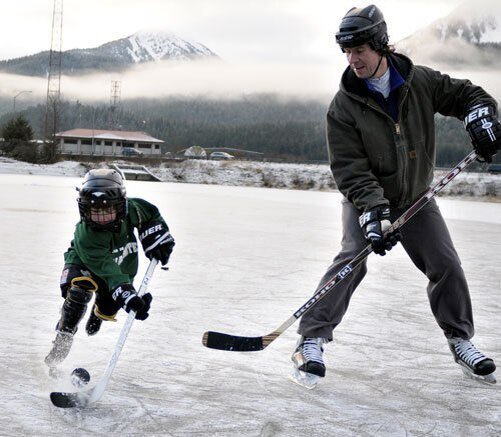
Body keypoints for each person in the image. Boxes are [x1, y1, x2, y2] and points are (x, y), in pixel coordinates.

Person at [292, 5, 500, 385]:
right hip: (365, 199)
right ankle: (311, 339)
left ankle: (460, 340)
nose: (353, 60)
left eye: (360, 50)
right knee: (350, 260)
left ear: (380, 45)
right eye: (347, 52)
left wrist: (481, 114)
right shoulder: (343, 107)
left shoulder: (419, 82)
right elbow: (350, 169)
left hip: (417, 199)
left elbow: (468, 94)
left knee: (446, 265)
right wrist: (373, 211)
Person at [45, 169, 175, 370]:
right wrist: (128, 296)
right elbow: (108, 270)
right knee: (78, 291)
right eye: (95, 211)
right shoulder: (86, 235)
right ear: (85, 209)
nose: (102, 217)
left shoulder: (134, 208)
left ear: (121, 205)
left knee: (108, 307)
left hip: (121, 264)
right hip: (84, 262)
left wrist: (157, 235)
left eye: (107, 210)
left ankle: (99, 312)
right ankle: (65, 333)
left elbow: (151, 216)